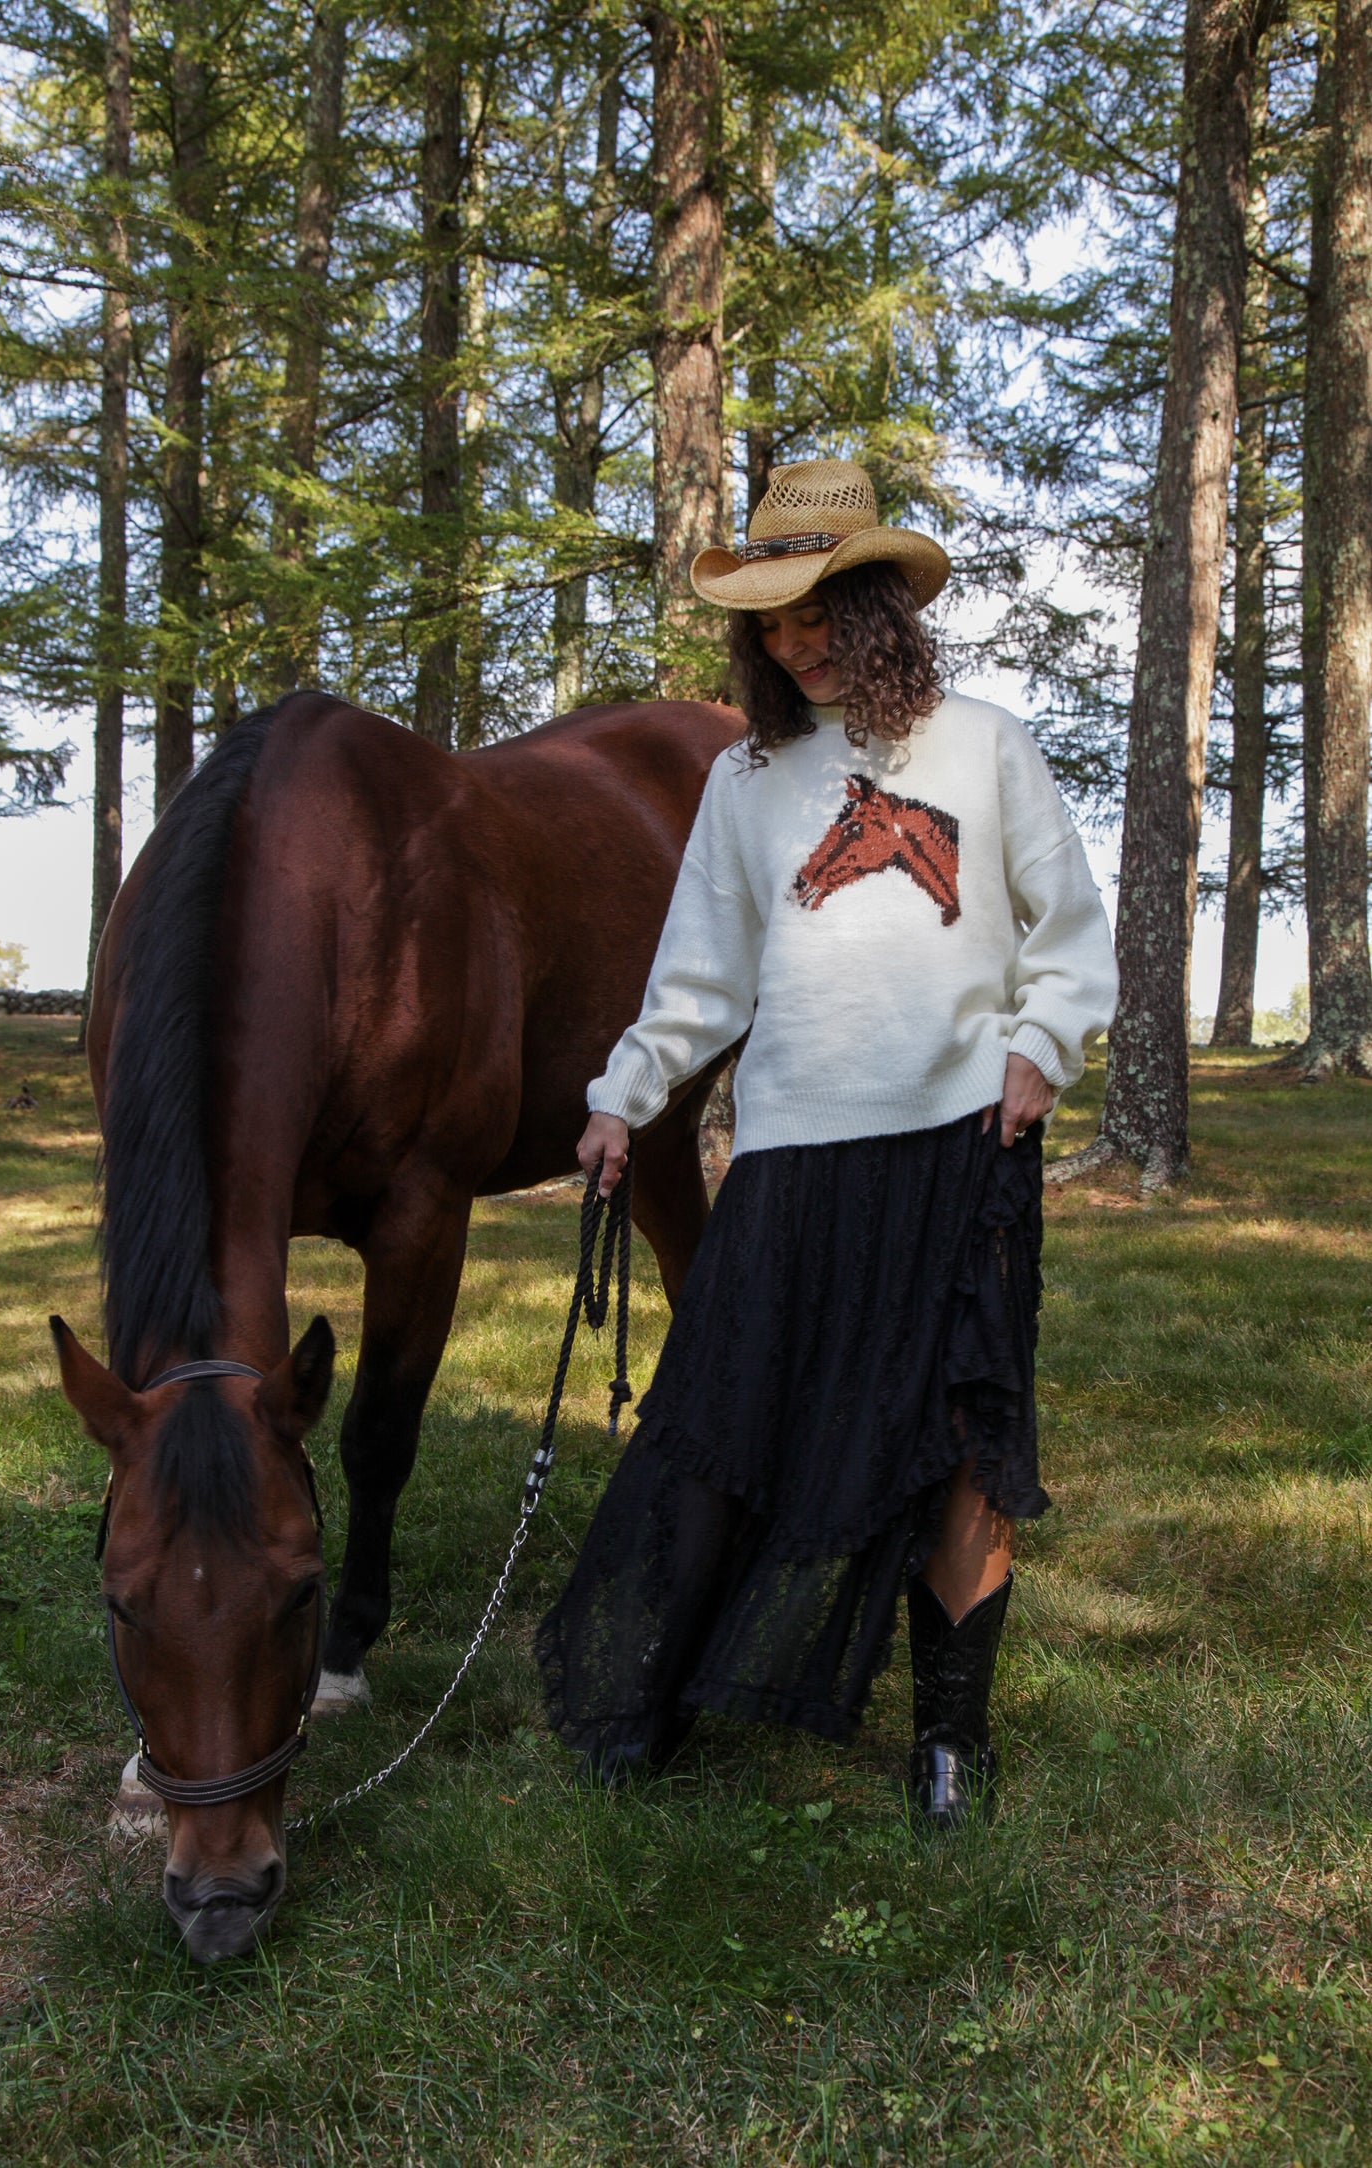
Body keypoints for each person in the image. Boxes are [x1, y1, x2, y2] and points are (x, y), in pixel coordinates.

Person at [535, 459, 1117, 1827]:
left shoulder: (983, 747)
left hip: (960, 1140)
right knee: (728, 1410)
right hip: (793, 1150)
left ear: (875, 611)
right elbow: (699, 977)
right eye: (769, 623)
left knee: (964, 1441)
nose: (791, 644)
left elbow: (1067, 930)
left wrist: (1040, 1050)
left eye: (814, 614)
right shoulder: (745, 784)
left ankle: (947, 1747)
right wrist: (625, 1092)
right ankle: (655, 1688)